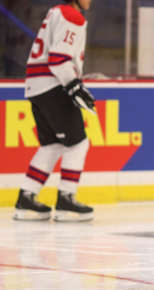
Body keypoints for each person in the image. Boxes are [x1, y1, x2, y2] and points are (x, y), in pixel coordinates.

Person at [14, 0, 95, 222]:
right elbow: (58, 59)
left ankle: (26, 198)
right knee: (78, 143)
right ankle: (66, 200)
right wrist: (73, 85)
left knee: (52, 145)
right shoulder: (73, 16)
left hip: (35, 87)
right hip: (54, 86)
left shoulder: (55, 11)